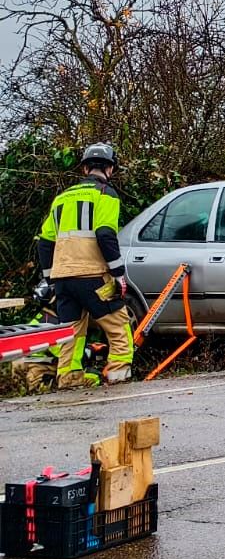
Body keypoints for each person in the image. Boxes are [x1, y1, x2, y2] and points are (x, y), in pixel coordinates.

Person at [32, 143, 134, 388]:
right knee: (119, 327)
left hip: (63, 279)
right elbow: (105, 234)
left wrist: (50, 277)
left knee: (72, 332)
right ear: (110, 169)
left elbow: (45, 243)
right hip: (94, 276)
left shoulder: (61, 198)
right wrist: (119, 274)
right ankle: (118, 377)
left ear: (85, 167)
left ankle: (69, 378)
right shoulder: (105, 194)